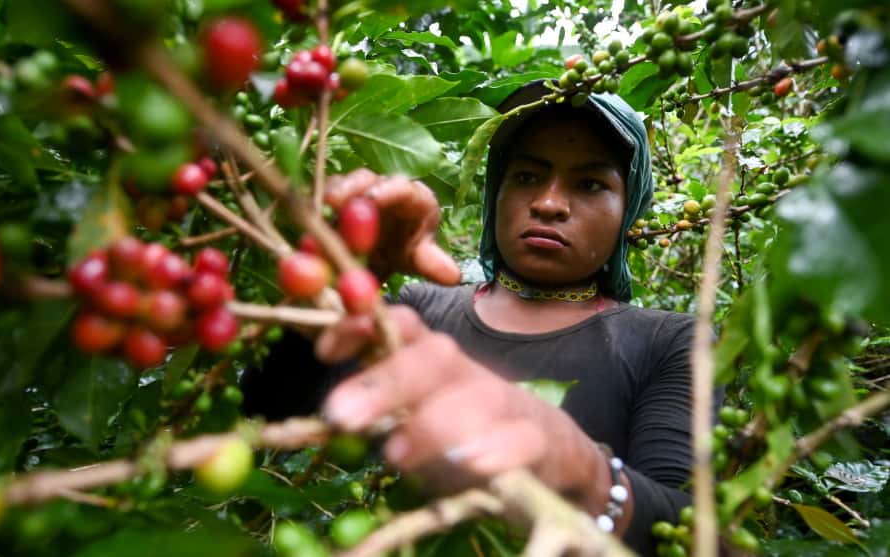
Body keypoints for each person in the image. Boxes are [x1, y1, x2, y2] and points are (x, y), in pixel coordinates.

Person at [242, 81, 701, 556]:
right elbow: (268, 410)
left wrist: (586, 474)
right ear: (495, 193)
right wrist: (336, 274)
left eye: (589, 184)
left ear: (628, 211)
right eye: (526, 177)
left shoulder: (668, 341)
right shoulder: (419, 309)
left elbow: (689, 530)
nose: (548, 203)